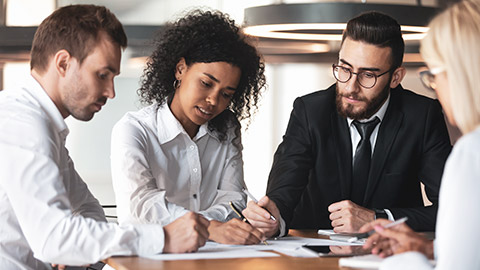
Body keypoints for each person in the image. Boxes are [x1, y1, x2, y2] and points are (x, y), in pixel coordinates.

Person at [0, 5, 209, 270]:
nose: (111, 92)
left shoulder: (43, 124)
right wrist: (164, 237)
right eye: (102, 75)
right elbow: (54, 238)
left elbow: (88, 208)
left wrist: (77, 247)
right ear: (63, 63)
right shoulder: (22, 124)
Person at [243, 11, 452, 238]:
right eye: (344, 68)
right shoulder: (310, 111)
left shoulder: (422, 115)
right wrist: (274, 219)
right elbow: (284, 192)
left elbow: (452, 208)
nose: (351, 86)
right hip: (312, 252)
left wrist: (378, 218)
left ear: (395, 77)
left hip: (391, 254)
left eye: (368, 75)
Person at [110, 10, 266, 245]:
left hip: (208, 258)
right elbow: (141, 207)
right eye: (206, 83)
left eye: (226, 94)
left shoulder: (228, 128)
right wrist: (211, 227)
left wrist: (204, 228)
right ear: (180, 69)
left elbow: (233, 199)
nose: (213, 101)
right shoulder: (134, 130)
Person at [361, 1, 480, 268]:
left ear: (462, 75)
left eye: (434, 75)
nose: (435, 88)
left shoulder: (472, 153)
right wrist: (431, 248)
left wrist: (403, 261)